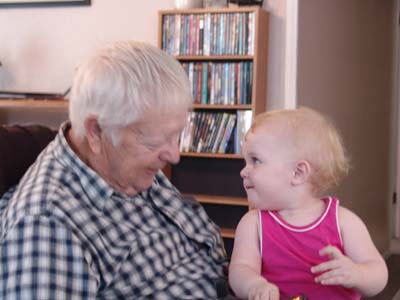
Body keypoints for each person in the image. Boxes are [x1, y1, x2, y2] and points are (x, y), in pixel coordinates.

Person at [0, 41, 228, 299]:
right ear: (96, 131)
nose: (174, 155)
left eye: (176, 136)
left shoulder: (124, 166)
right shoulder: (46, 225)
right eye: (155, 142)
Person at [228, 107, 388, 300]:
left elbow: (379, 274)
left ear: (298, 173)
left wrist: (358, 274)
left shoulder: (344, 222)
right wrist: (254, 285)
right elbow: (239, 270)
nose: (243, 171)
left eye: (255, 161)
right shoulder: (252, 224)